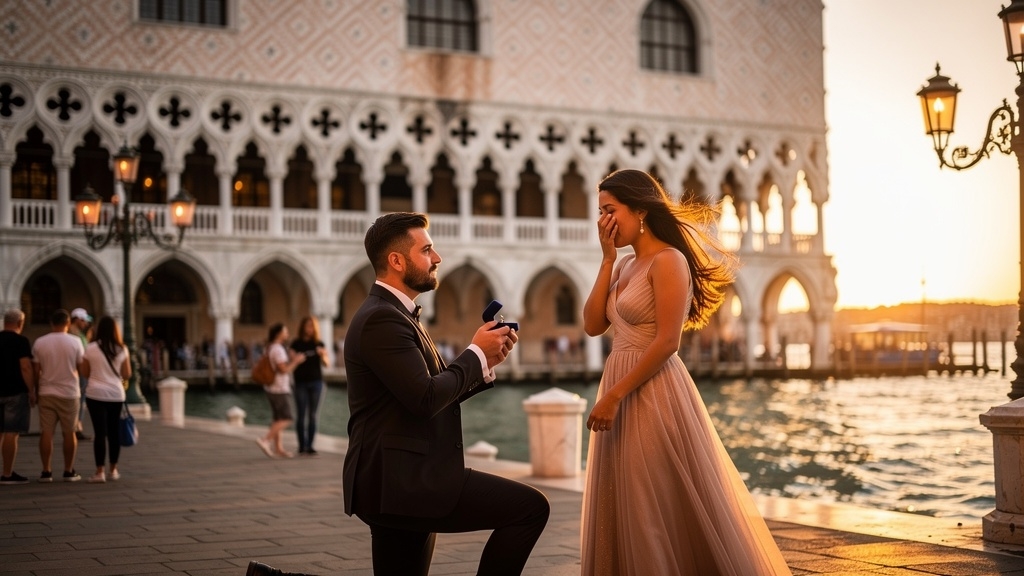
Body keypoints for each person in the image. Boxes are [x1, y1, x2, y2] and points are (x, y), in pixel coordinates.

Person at [579, 169, 791, 575]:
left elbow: (667, 342)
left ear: (639, 210)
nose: (603, 221)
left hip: (652, 391)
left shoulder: (669, 260)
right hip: (619, 383)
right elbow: (592, 325)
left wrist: (613, 396)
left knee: (648, 502)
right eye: (600, 212)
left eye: (610, 210)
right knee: (623, 499)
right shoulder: (623, 266)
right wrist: (606, 260)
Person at [342, 212, 549, 576]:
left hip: (397, 479)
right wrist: (475, 353)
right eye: (427, 249)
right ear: (396, 260)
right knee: (529, 509)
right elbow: (425, 399)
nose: (437, 258)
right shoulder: (382, 318)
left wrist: (484, 361)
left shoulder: (395, 314)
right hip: (404, 483)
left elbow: (427, 392)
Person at [32, 309, 85, 482]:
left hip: (46, 391)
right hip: (69, 393)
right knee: (69, 432)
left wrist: (34, 390)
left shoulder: (40, 342)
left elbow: (36, 371)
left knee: (46, 432)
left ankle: (46, 471)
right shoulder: (76, 342)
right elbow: (81, 368)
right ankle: (68, 471)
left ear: (51, 323)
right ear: (68, 323)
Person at [80, 316, 130, 483]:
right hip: (116, 394)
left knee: (100, 433)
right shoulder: (122, 349)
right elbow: (127, 374)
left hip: (95, 394)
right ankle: (113, 470)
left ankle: (99, 472)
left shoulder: (91, 348)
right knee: (114, 433)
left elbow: (84, 372)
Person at [255, 323, 304, 459]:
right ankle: (265, 440)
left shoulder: (270, 347)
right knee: (287, 418)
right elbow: (283, 370)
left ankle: (279, 448)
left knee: (277, 418)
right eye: (285, 331)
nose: (287, 334)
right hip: (279, 388)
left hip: (271, 388)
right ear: (279, 333)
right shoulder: (278, 349)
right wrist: (296, 361)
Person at [0, 309, 36, 485]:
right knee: (11, 433)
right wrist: (31, 390)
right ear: (20, 323)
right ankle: (7, 474)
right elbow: (26, 367)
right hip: (15, 391)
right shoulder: (21, 341)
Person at [289, 316, 329, 456]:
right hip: (300, 383)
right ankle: (302, 445)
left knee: (313, 415)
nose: (309, 329)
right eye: (307, 326)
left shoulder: (319, 343)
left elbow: (326, 364)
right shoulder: (296, 344)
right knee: (301, 415)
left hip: (316, 382)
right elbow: (291, 361)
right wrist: (296, 359)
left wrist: (323, 355)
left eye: (312, 326)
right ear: (302, 327)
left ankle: (310, 445)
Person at [69, 307, 93, 441]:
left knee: (81, 400)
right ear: (77, 319)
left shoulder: (80, 334)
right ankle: (76, 427)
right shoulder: (73, 334)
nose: (85, 323)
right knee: (79, 400)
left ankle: (77, 426)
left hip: (81, 372)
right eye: (83, 320)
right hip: (78, 372)